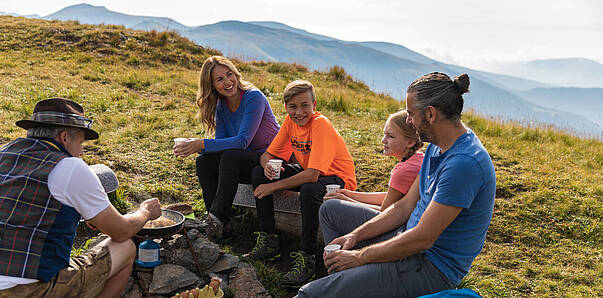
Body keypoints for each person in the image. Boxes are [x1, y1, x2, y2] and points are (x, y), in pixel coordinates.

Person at [297, 72, 496, 297]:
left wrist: (359, 257)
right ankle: (343, 283)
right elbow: (403, 207)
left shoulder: (464, 164)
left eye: (411, 114)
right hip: (405, 237)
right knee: (332, 210)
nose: (409, 120)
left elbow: (422, 238)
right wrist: (356, 236)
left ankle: (340, 286)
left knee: (308, 294)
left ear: (430, 114)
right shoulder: (436, 147)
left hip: (429, 267)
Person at [0, 98, 162, 297]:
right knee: (125, 247)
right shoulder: (68, 167)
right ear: (65, 137)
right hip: (29, 290)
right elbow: (120, 231)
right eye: (81, 142)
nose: (82, 151)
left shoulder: (5, 154)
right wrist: (145, 212)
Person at [243, 80, 357, 287]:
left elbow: (313, 175)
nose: (299, 112)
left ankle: (308, 256)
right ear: (286, 107)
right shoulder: (289, 122)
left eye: (305, 105)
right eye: (293, 106)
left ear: (314, 105)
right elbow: (268, 154)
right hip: (310, 173)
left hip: (338, 179)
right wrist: (268, 166)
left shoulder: (321, 124)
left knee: (309, 190)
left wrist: (273, 187)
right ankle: (269, 240)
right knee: (260, 173)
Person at [173, 56, 280, 243]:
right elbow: (222, 143)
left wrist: (202, 144)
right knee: (204, 162)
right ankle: (222, 226)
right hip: (244, 160)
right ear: (212, 85)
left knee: (230, 156)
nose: (228, 82)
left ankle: (216, 218)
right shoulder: (222, 105)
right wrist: (194, 146)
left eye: (229, 74)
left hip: (271, 159)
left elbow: (242, 142)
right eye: (220, 79)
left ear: (236, 74)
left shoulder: (254, 97)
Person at [323, 109, 423, 211]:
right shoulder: (418, 158)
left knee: (330, 207)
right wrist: (350, 195)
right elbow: (389, 196)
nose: (383, 140)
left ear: (410, 142)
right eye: (384, 134)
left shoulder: (404, 170)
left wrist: (346, 200)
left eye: (390, 136)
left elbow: (383, 213)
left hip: (401, 225)